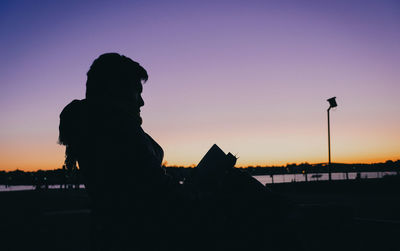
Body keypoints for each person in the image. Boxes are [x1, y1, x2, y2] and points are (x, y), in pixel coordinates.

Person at [59, 53, 294, 251]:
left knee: (237, 186)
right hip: (155, 229)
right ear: (115, 91)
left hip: (129, 227)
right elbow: (159, 199)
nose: (141, 102)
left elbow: (145, 188)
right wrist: (200, 189)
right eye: (136, 91)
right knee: (244, 188)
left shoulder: (94, 128)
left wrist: (189, 187)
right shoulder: (118, 129)